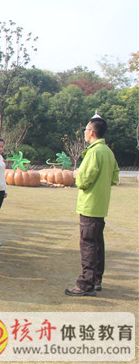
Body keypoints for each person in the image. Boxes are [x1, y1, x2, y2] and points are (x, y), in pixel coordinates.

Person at [65, 115, 119, 297]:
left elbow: (84, 180)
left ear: (92, 132)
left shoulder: (94, 152)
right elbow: (115, 177)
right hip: (101, 205)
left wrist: (76, 175)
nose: (84, 133)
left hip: (89, 205)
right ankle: (96, 279)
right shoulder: (108, 151)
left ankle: (86, 284)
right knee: (97, 244)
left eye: (86, 130)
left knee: (88, 244)